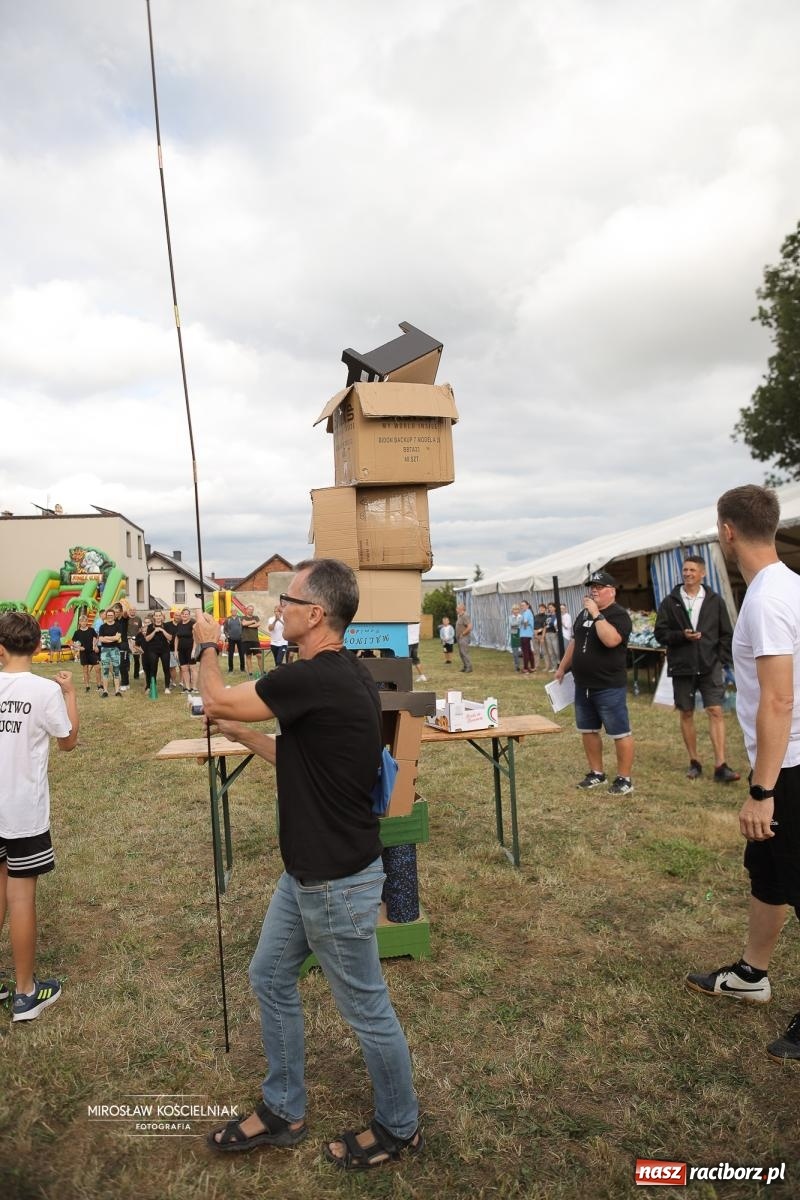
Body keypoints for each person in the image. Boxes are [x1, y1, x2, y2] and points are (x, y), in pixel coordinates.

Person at [194, 559, 422, 1167]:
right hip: (308, 876)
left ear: (316, 614)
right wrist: (244, 737)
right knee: (269, 976)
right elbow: (305, 761)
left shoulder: (311, 678)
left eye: (288, 600)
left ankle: (400, 1128)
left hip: (335, 882)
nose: (280, 609)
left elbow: (214, 696)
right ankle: (283, 1108)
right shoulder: (339, 674)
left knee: (368, 1010)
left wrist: (207, 643)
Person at [685, 485, 800, 1062]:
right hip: (786, 760)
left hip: (791, 767)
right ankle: (753, 973)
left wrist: (763, 790)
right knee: (768, 873)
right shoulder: (789, 587)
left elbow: (778, 701)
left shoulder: (765, 599)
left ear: (727, 531)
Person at [0, 611, 78, 1020]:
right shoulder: (43, 690)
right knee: (21, 896)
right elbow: (67, 742)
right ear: (37, 646)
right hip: (22, 812)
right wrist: (69, 694)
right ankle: (26, 993)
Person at [654, 554, 740, 783]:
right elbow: (660, 634)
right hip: (682, 666)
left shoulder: (714, 600)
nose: (688, 574)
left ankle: (721, 765)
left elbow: (726, 634)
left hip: (709, 665)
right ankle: (694, 761)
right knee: (687, 712)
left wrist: (719, 660)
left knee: (716, 711)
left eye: (692, 570)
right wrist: (681, 636)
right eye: (685, 570)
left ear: (703, 574)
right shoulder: (670, 601)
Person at [554, 570, 634, 795]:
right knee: (588, 730)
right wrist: (562, 667)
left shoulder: (618, 615)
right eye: (592, 587)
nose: (594, 590)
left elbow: (611, 640)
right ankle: (596, 773)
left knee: (619, 732)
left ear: (612, 591)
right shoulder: (583, 614)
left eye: (599, 587)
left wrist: (597, 614)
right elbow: (574, 642)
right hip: (583, 685)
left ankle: (624, 778)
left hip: (608, 685)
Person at [71, 613, 102, 693]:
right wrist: (78, 647)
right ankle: (87, 686)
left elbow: (96, 637)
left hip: (92, 652)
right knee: (85, 670)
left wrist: (95, 646)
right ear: (79, 622)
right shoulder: (77, 632)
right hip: (83, 653)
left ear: (87, 622)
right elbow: (70, 642)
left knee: (98, 668)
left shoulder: (91, 630)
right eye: (82, 621)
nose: (83, 623)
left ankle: (99, 685)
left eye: (85, 621)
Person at [142, 610, 172, 693]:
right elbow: (147, 639)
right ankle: (152, 686)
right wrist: (155, 631)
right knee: (153, 669)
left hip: (164, 650)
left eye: (160, 616)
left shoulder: (166, 625)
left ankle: (167, 687)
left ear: (162, 617)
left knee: (166, 668)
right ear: (154, 617)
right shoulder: (150, 627)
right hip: (153, 650)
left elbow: (170, 638)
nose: (158, 617)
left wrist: (162, 630)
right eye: (156, 616)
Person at [97, 608, 124, 698]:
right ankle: (105, 691)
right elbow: (100, 639)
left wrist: (106, 638)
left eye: (111, 615)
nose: (110, 617)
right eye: (108, 615)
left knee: (116, 670)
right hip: (105, 650)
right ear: (106, 616)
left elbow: (117, 638)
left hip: (115, 649)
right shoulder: (102, 627)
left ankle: (117, 691)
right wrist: (112, 637)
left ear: (114, 616)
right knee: (105, 670)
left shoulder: (118, 625)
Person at [174, 608, 196, 692]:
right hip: (181, 650)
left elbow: (195, 638)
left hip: (190, 649)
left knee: (192, 668)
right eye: (183, 614)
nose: (184, 615)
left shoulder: (192, 623)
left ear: (189, 615)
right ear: (181, 615)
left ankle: (194, 687)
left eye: (186, 614)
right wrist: (176, 650)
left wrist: (194, 650)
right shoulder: (179, 624)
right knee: (184, 668)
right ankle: (187, 687)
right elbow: (176, 638)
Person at [113, 603, 131, 691]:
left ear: (120, 612)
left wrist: (123, 604)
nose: (116, 614)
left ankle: (125, 683)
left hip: (123, 644)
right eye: (114, 612)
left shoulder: (124, 619)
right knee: (117, 665)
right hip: (116, 644)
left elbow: (126, 613)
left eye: (117, 612)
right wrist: (113, 604)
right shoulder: (113, 621)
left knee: (122, 665)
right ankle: (126, 683)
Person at [241, 604, 262, 677]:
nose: (251, 611)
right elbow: (243, 623)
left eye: (252, 610)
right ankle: (250, 673)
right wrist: (253, 621)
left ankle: (262, 671)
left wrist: (248, 625)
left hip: (255, 640)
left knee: (259, 655)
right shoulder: (243, 617)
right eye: (249, 609)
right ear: (246, 610)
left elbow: (258, 624)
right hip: (246, 640)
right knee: (248, 656)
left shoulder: (256, 617)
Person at [518, 600, 535, 675]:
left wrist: (523, 626)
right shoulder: (529, 612)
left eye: (524, 605)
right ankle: (532, 667)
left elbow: (525, 622)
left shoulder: (526, 612)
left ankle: (525, 668)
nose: (522, 606)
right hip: (528, 634)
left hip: (525, 634)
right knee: (529, 651)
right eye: (521, 605)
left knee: (525, 652)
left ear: (528, 605)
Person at [455, 604, 473, 674]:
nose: (456, 609)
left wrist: (463, 633)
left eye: (457, 608)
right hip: (459, 638)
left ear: (461, 609)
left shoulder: (465, 616)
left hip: (464, 637)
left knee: (464, 652)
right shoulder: (460, 616)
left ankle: (469, 667)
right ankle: (465, 666)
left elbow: (470, 626)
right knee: (461, 653)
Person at [509, 604, 522, 672]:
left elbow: (522, 625)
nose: (515, 611)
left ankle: (525, 666)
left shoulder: (521, 616)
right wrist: (518, 623)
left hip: (521, 634)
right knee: (515, 652)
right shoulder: (511, 617)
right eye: (514, 609)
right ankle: (517, 666)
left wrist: (516, 624)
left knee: (524, 651)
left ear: (519, 610)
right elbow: (511, 624)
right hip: (514, 634)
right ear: (512, 610)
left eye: (517, 609)